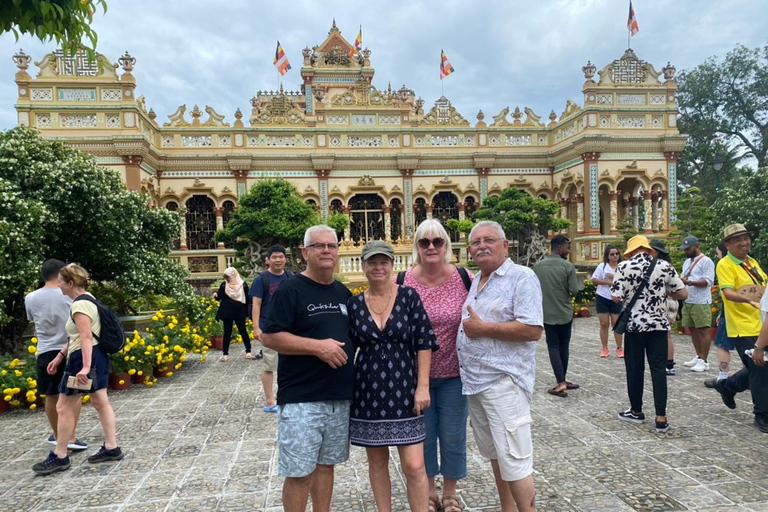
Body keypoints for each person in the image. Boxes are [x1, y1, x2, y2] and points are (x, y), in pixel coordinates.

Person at [262, 225, 354, 512]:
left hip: (338, 397)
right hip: (303, 398)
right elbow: (271, 336)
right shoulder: (291, 289)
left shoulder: (343, 292)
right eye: (319, 246)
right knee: (300, 472)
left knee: (326, 467)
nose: (326, 251)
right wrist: (318, 347)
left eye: (332, 246)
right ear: (305, 252)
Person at [458, 221, 543, 512]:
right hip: (476, 383)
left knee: (516, 459)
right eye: (476, 241)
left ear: (505, 245)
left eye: (489, 240)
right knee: (497, 454)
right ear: (469, 249)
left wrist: (484, 329)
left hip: (503, 383)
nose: (482, 245)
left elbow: (532, 329)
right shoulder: (477, 280)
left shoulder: (522, 277)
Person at [349, 240, 437, 512]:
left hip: (405, 388)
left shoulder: (408, 296)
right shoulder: (353, 304)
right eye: (372, 262)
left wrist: (423, 387)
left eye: (383, 262)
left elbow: (424, 341)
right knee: (377, 462)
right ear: (363, 266)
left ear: (392, 265)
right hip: (368, 391)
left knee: (414, 464)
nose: (378, 267)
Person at [397, 219, 472, 512]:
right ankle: (428, 491)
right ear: (416, 246)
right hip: (416, 378)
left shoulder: (464, 277)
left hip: (455, 373)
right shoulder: (403, 280)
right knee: (423, 437)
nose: (431, 247)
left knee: (453, 434)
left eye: (437, 241)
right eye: (424, 242)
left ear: (446, 245)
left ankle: (450, 493)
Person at [32, 263, 123, 475]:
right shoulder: (89, 299)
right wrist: (60, 356)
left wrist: (84, 367)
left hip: (83, 359)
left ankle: (60, 455)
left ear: (71, 283)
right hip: (96, 356)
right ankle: (111, 446)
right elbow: (78, 336)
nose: (59, 286)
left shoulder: (79, 306)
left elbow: (85, 337)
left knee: (63, 407)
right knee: (100, 402)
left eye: (61, 282)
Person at [611, 236, 687, 433]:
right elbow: (683, 293)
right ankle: (661, 417)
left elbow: (615, 297)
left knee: (635, 369)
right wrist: (663, 293)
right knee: (659, 369)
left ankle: (636, 411)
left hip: (634, 326)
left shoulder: (624, 266)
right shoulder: (663, 265)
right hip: (659, 326)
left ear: (631, 250)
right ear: (647, 249)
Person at [24, 259, 87, 452]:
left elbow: (33, 321)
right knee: (73, 395)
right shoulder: (70, 294)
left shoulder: (30, 298)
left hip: (45, 350)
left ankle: (59, 435)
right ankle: (71, 436)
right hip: (71, 348)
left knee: (50, 395)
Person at [711, 224, 768, 433]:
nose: (745, 243)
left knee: (759, 365)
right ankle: (762, 415)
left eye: (746, 238)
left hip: (761, 322)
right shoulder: (725, 264)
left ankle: (727, 386)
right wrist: (748, 301)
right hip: (743, 325)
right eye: (739, 240)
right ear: (728, 244)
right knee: (760, 368)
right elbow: (727, 293)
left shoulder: (752, 262)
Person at [533, 235, 580, 398]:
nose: (569, 250)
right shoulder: (568, 266)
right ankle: (562, 381)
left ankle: (561, 381)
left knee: (553, 345)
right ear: (559, 247)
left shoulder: (538, 266)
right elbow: (574, 290)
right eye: (567, 246)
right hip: (564, 311)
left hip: (546, 312)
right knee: (563, 345)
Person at [251, 245, 294, 412]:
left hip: (290, 328)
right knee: (269, 364)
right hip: (269, 328)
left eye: (281, 257)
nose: (278, 260)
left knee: (290, 364)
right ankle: (270, 400)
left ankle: (288, 395)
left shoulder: (291, 277)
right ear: (268, 260)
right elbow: (256, 304)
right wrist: (256, 327)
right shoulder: (262, 279)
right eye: (274, 257)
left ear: (285, 259)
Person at [678, 236, 716, 373]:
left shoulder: (706, 261)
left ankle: (704, 360)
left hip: (701, 300)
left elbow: (708, 281)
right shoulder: (687, 262)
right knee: (692, 328)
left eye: (688, 248)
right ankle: (699, 355)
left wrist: (689, 282)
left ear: (696, 246)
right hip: (688, 299)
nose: (686, 251)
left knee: (703, 329)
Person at [648, 239, 680, 376]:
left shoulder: (659, 266)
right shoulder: (668, 266)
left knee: (666, 335)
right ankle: (668, 362)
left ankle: (669, 363)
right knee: (667, 334)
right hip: (671, 302)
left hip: (665, 302)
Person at [706, 242, 733, 387]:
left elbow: (727, 293)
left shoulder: (724, 265)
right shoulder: (749, 263)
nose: (717, 257)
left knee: (722, 344)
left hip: (730, 312)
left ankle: (723, 377)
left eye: (718, 253)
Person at [590, 245, 624, 358]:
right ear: (607, 256)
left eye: (616, 254)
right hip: (603, 296)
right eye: (612, 254)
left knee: (617, 323)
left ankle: (619, 347)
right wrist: (607, 283)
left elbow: (626, 279)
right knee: (604, 324)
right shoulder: (602, 266)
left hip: (617, 297)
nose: (615, 256)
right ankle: (604, 348)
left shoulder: (622, 266)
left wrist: (613, 276)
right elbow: (594, 279)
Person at [212, 267, 252, 362]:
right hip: (227, 312)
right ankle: (225, 353)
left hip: (240, 312)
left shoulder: (243, 285)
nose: (227, 279)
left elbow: (248, 299)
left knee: (243, 330)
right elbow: (219, 297)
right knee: (227, 332)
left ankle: (248, 351)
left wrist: (249, 311)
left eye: (228, 277)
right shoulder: (224, 285)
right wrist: (215, 295)